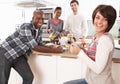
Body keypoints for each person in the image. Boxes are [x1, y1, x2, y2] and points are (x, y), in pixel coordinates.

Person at [0, 9, 62, 84]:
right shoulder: (26, 27)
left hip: (18, 55)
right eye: (38, 18)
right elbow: (34, 47)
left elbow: (40, 43)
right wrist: (54, 51)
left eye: (42, 19)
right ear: (33, 19)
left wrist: (51, 47)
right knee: (3, 81)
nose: (40, 21)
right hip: (5, 53)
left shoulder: (39, 30)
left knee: (28, 77)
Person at [64, 4, 116, 84]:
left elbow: (98, 69)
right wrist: (85, 51)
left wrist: (79, 52)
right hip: (90, 80)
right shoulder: (96, 36)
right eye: (97, 17)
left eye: (104, 19)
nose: (99, 22)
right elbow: (96, 55)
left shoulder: (104, 40)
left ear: (109, 22)